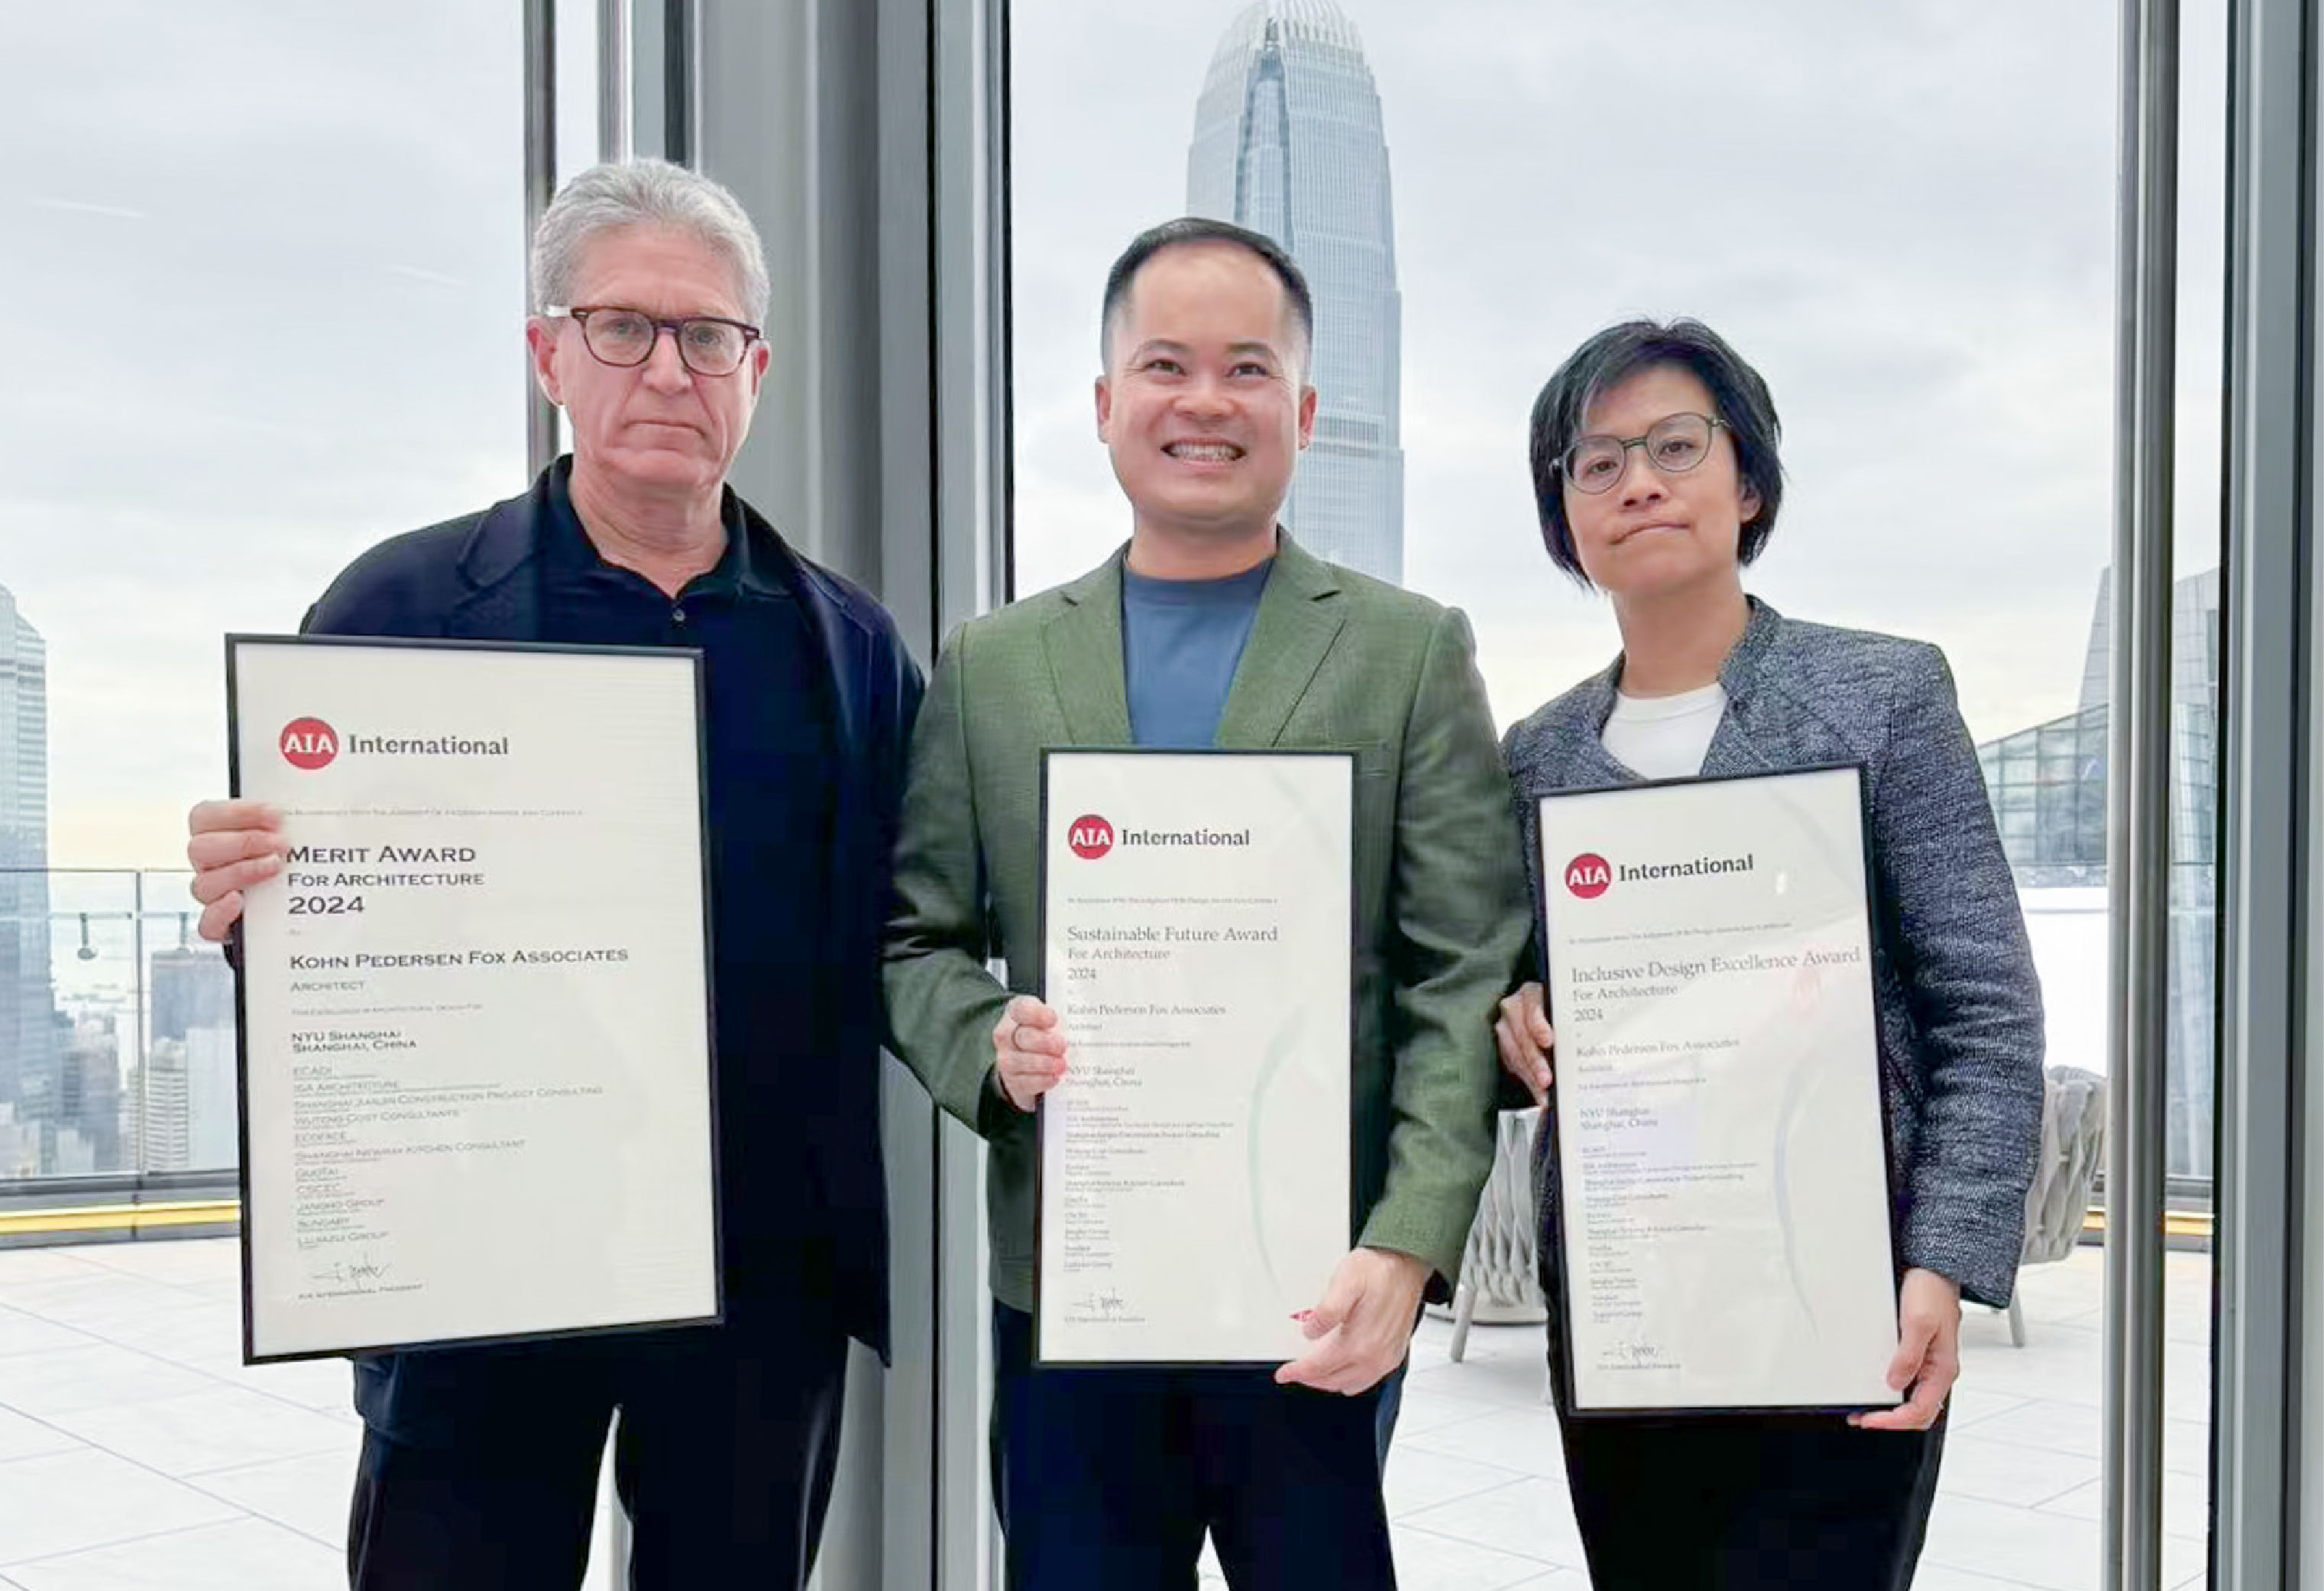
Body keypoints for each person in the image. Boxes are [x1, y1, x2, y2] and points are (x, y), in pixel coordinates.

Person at [183, 159, 921, 1590]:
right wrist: (245, 902)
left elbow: (911, 920)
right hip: (478, 1251)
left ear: (754, 371)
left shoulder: (849, 646)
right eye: (623, 327)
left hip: (755, 1265)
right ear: (549, 355)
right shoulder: (397, 609)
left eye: (709, 336)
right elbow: (316, 942)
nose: (670, 368)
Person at [881, 216, 1529, 1587]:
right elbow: (917, 937)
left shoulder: (1408, 653)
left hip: (1315, 1286)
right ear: (1106, 403)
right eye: (1165, 364)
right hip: (1071, 1281)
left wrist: (1408, 1245)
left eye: (1247, 369)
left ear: (1300, 410)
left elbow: (1459, 975)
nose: (1204, 401)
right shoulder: (993, 665)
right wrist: (980, 1039)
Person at [1493, 318, 2044, 1586]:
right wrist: (1511, 1018)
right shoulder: (1536, 755)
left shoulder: (1883, 695)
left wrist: (1943, 1263)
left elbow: (1983, 1005)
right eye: (1594, 462)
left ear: (1745, 484)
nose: (1636, 480)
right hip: (1636, 1311)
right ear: (1562, 516)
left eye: (1674, 445)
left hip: (1841, 1301)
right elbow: (1522, 995)